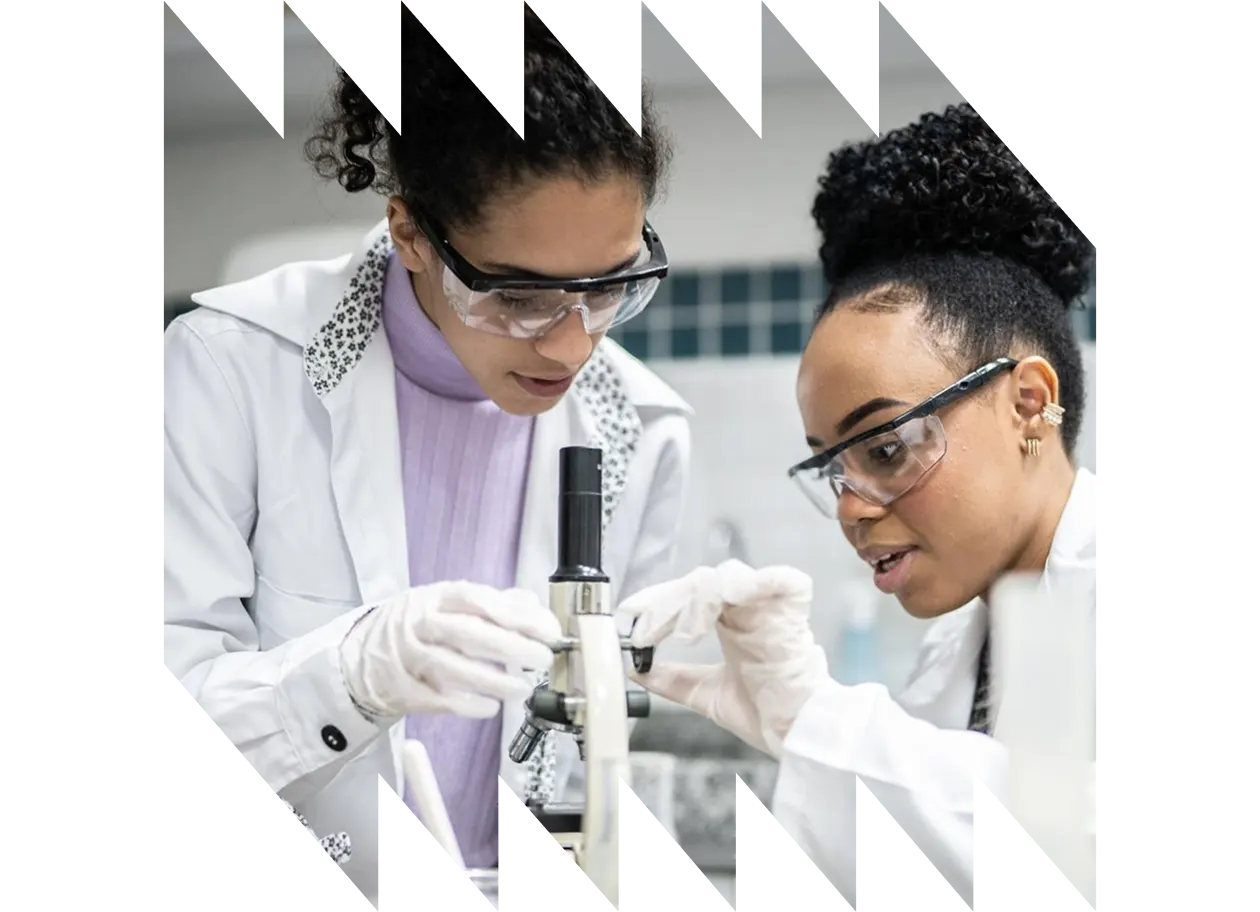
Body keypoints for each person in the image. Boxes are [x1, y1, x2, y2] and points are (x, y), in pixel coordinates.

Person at [159, 6, 691, 901]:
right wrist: (350, 674)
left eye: (610, 288)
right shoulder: (229, 370)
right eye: (520, 298)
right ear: (411, 233)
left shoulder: (641, 428)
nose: (573, 345)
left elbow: (583, 765)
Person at [624, 103, 1102, 908]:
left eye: (884, 450)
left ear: (1027, 404)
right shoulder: (959, 652)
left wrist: (816, 718)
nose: (851, 510)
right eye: (832, 468)